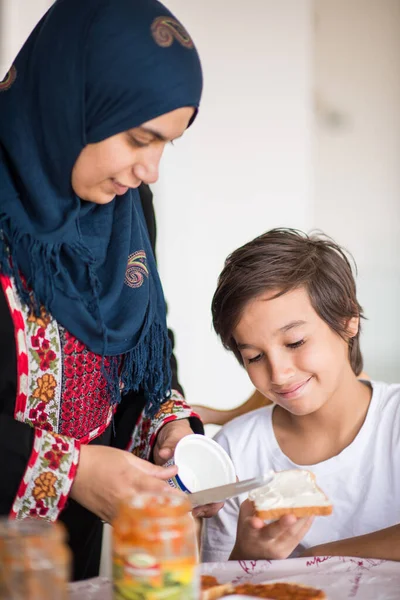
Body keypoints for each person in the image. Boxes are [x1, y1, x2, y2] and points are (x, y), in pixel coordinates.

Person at [0, 0, 218, 581]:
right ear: (74, 102)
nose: (151, 170)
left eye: (166, 144)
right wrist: (67, 470)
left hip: (66, 565)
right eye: (139, 137)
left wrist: (167, 426)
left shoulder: (125, 207)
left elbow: (141, 336)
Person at [202, 228, 400, 562]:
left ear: (348, 319)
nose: (278, 374)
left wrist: (315, 559)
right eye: (254, 357)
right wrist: (244, 555)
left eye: (295, 342)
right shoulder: (234, 451)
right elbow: (221, 587)